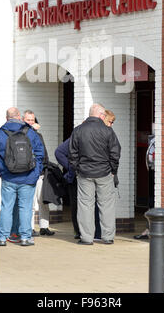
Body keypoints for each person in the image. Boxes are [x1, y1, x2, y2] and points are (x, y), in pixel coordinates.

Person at [68, 103, 121, 245]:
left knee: (85, 205)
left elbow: (72, 153)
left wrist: (77, 169)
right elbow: (115, 152)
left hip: (84, 173)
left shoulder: (78, 130)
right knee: (106, 205)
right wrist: (113, 170)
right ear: (101, 115)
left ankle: (86, 238)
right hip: (104, 173)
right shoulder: (108, 131)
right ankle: (108, 237)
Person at [0, 107, 44, 246]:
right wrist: (35, 172)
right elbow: (40, 154)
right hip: (28, 177)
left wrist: (2, 172)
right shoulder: (30, 132)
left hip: (8, 178)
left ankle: (2, 237)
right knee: (25, 207)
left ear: (6, 118)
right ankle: (25, 237)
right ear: (19, 117)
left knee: (6, 207)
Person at [9, 110, 54, 242]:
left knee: (43, 201)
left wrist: (44, 169)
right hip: (27, 174)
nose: (30, 122)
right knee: (30, 203)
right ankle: (29, 228)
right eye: (28, 120)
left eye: (32, 120)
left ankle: (44, 227)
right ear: (23, 120)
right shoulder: (20, 135)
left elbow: (43, 153)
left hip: (39, 173)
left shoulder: (38, 135)